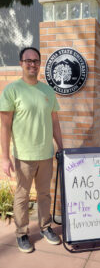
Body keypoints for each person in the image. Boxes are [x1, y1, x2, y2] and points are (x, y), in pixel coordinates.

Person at [0, 47, 63, 253]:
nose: (32, 64)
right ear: (21, 63)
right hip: (24, 156)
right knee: (22, 195)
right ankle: (22, 234)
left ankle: (45, 227)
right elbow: (5, 125)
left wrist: (62, 148)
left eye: (36, 60)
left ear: (39, 63)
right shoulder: (12, 90)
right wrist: (5, 157)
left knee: (44, 194)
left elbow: (55, 122)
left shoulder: (47, 91)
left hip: (46, 154)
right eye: (28, 60)